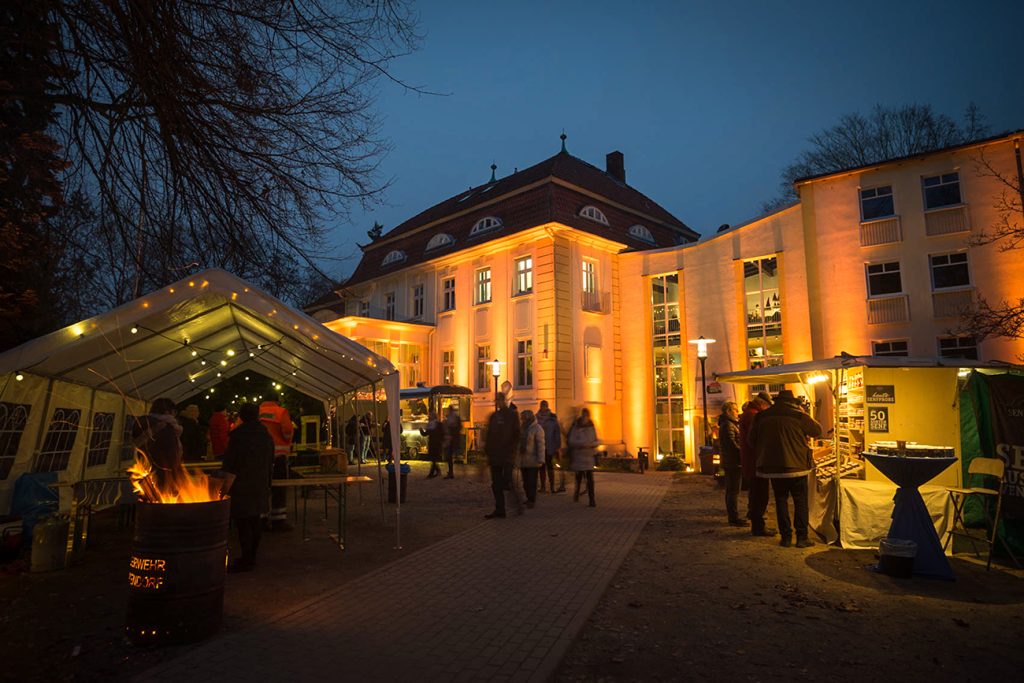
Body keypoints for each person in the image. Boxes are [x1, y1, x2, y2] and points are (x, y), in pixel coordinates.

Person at [749, 389, 823, 548]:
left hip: (774, 467)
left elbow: (751, 440)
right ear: (793, 402)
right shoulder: (798, 415)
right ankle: (802, 538)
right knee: (800, 502)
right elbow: (817, 431)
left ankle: (786, 537)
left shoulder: (762, 416)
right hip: (797, 466)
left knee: (780, 501)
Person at [220, 403, 275, 573]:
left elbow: (230, 463)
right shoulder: (266, 435)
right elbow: (271, 459)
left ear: (241, 417)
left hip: (241, 484)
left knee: (243, 521)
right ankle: (251, 556)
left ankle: (247, 558)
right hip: (260, 482)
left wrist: (225, 485)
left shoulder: (237, 436)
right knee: (255, 519)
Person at [131, 397, 184, 493]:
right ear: (168, 411)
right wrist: (176, 474)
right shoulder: (167, 426)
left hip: (143, 470)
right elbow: (171, 453)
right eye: (174, 412)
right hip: (163, 472)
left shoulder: (142, 422)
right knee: (165, 500)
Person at [741, 392, 774, 536]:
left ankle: (758, 524)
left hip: (752, 460)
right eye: (767, 406)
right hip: (755, 461)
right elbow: (756, 438)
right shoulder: (753, 415)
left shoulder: (750, 413)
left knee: (757, 494)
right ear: (762, 404)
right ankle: (758, 527)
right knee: (759, 495)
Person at [259, 398, 294, 531]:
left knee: (261, 488)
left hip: (258, 457)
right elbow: (287, 431)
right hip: (278, 456)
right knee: (279, 488)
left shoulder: (255, 412)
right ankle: (278, 520)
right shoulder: (281, 412)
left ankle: (261, 519)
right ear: (276, 402)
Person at [484, 393, 521, 519]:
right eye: (496, 400)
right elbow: (489, 435)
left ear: (504, 401)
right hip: (495, 456)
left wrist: (512, 450)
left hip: (507, 455)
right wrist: (487, 452)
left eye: (499, 400)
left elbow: (517, 434)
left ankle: (517, 504)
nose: (498, 402)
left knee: (507, 482)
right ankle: (500, 509)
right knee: (496, 484)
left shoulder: (512, 415)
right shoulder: (494, 416)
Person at [718, 401, 745, 526]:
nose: (737, 412)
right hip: (733, 462)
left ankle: (733, 516)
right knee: (733, 490)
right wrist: (743, 452)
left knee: (732, 490)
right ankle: (733, 518)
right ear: (728, 411)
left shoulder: (729, 424)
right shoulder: (728, 425)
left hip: (732, 461)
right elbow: (731, 444)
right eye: (735, 410)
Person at [568, 408, 598, 507]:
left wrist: (593, 444)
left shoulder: (591, 426)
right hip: (579, 456)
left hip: (588, 456)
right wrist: (581, 444)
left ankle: (592, 500)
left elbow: (596, 439)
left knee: (590, 479)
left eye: (587, 416)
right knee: (579, 477)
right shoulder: (576, 426)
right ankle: (576, 493)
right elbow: (571, 440)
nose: (586, 418)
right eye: (584, 415)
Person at [517, 409, 545, 508]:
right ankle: (528, 498)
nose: (522, 420)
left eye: (523, 418)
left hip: (533, 460)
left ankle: (531, 500)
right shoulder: (522, 428)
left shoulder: (537, 428)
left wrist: (541, 459)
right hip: (524, 460)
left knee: (531, 482)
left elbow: (540, 445)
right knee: (525, 482)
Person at [535, 400, 562, 493]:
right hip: (540, 446)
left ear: (547, 407)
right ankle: (542, 487)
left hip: (550, 445)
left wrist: (557, 446)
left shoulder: (553, 418)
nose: (543, 408)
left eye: (545, 406)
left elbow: (557, 433)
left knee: (550, 466)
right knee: (541, 467)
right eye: (542, 406)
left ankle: (552, 486)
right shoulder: (536, 417)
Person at [421, 409, 446, 478]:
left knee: (433, 459)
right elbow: (442, 433)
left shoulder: (431, 425)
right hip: (436, 443)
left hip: (434, 443)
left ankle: (432, 473)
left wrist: (421, 430)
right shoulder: (438, 424)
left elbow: (425, 434)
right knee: (433, 459)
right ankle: (437, 471)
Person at [443, 406, 462, 479]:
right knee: (449, 456)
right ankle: (451, 472)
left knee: (449, 456)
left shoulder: (454, 418)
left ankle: (451, 472)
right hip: (451, 439)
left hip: (451, 439)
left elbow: (457, 427)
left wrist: (451, 433)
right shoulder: (453, 417)